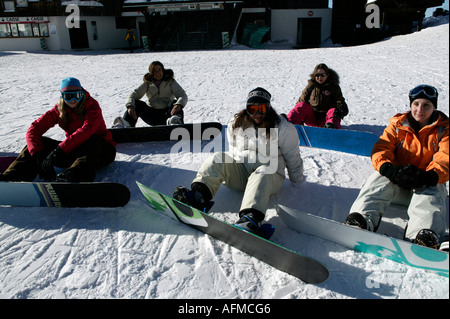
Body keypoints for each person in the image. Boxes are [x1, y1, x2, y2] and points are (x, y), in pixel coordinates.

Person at [173, 87, 304, 236]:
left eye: (262, 108)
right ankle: (197, 197)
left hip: (270, 177)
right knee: (218, 158)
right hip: (243, 174)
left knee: (264, 170)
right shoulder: (237, 123)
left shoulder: (283, 128)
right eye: (252, 108)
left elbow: (293, 156)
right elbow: (234, 150)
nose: (257, 113)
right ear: (247, 108)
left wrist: (297, 182)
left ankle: (250, 219)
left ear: (269, 108)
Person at [345, 85, 449, 250]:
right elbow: (381, 149)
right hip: (397, 185)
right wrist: (389, 170)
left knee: (435, 186)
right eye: (416, 104)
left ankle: (423, 235)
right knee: (379, 178)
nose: (419, 109)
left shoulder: (444, 130)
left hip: (423, 185)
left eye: (426, 105)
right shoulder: (398, 125)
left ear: (434, 107)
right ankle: (362, 220)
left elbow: (446, 157)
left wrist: (428, 176)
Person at [0, 77, 116, 183]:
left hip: (102, 151)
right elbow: (34, 129)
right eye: (68, 96)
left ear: (82, 94)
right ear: (62, 97)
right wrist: (38, 156)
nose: (73, 100)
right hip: (74, 151)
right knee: (41, 143)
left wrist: (58, 152)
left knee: (93, 141)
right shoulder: (59, 110)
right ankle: (11, 176)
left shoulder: (92, 106)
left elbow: (86, 130)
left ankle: (73, 176)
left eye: (77, 95)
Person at [114, 61, 188, 128]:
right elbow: (134, 94)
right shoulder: (148, 83)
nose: (157, 72)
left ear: (163, 70)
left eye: (159, 69)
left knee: (175, 103)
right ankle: (126, 126)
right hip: (151, 115)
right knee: (135, 104)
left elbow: (182, 95)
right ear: (151, 73)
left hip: (167, 115)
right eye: (154, 71)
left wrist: (178, 105)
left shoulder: (170, 81)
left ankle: (175, 123)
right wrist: (130, 106)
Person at [287, 63, 348, 129]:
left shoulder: (334, 87)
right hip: (312, 118)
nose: (320, 77)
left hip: (326, 120)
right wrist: (298, 117)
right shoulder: (311, 86)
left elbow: (340, 101)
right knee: (302, 105)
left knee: (333, 111)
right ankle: (287, 125)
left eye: (323, 75)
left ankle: (332, 129)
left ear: (327, 75)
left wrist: (341, 111)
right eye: (317, 75)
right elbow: (301, 102)